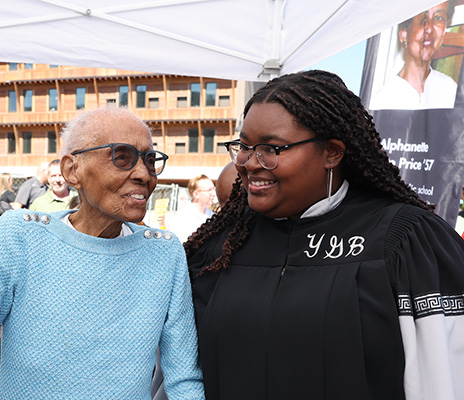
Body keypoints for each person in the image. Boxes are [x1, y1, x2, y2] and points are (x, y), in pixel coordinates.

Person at [186, 70, 464, 399]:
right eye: (244, 147)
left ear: (332, 152)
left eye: (272, 149)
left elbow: (444, 378)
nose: (249, 163)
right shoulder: (219, 247)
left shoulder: (401, 240)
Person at [0, 107, 205, 399]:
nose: (144, 174)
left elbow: (184, 377)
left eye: (150, 160)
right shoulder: (21, 236)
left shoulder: (164, 252)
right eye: (122, 157)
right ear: (72, 170)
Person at [370, 1, 457, 110]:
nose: (429, 29)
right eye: (423, 19)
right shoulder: (380, 102)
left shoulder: (450, 90)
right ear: (404, 34)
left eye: (438, 18)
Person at [168, 174, 215, 243]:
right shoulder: (183, 217)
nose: (213, 194)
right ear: (196, 194)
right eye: (209, 190)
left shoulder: (212, 216)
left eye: (213, 189)